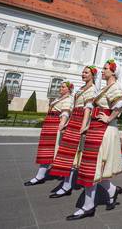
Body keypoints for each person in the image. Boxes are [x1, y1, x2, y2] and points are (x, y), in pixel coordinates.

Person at [67, 59, 122, 220]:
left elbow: (120, 105)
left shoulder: (114, 87)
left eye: (106, 68)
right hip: (96, 128)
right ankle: (111, 191)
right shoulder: (105, 87)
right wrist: (87, 125)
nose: (103, 70)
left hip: (103, 130)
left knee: (92, 167)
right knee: (92, 167)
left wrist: (108, 118)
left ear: (113, 72)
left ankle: (88, 206)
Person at [48, 67, 97, 198]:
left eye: (86, 72)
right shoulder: (82, 88)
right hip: (74, 119)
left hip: (80, 120)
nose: (83, 74)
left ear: (92, 75)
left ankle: (67, 185)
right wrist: (68, 122)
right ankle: (66, 184)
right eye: (83, 72)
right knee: (68, 153)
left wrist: (84, 125)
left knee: (73, 154)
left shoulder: (92, 89)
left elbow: (88, 108)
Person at [24, 81, 73, 186]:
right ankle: (40, 176)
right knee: (45, 151)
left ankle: (66, 181)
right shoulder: (59, 98)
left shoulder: (68, 99)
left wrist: (61, 126)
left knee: (57, 151)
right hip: (49, 125)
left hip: (55, 126)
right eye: (60, 86)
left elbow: (65, 112)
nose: (60, 88)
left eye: (63, 87)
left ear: (68, 89)